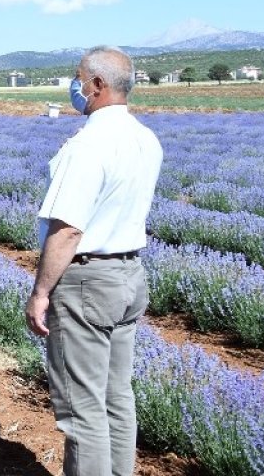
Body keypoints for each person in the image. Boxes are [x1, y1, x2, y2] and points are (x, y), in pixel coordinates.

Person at [25, 47, 160, 476]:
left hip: (86, 281)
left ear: (97, 85)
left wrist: (41, 291)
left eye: (78, 77)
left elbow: (68, 230)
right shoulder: (145, 137)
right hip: (128, 275)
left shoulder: (88, 144)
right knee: (116, 397)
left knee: (82, 410)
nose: (74, 85)